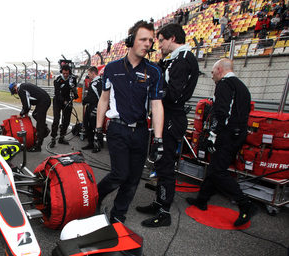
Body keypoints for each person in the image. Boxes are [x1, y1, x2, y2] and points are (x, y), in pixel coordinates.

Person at [96, 20, 164, 224]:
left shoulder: (154, 71)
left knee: (134, 179)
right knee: (119, 174)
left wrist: (158, 139)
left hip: (141, 132)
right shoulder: (112, 68)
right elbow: (104, 100)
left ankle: (118, 216)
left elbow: (157, 105)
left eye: (151, 40)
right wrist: (98, 129)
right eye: (143, 39)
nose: (147, 44)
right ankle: (94, 198)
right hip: (118, 129)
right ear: (130, 41)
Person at [136, 23, 199, 228]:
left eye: (161, 40)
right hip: (168, 115)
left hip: (172, 116)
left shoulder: (182, 60)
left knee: (165, 164)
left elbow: (173, 94)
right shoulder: (174, 59)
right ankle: (158, 203)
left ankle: (164, 212)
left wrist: (154, 91)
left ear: (172, 38)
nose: (159, 44)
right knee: (161, 162)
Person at [186, 59, 256, 227]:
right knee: (215, 168)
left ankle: (244, 203)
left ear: (219, 70)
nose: (211, 76)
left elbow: (221, 113)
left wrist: (212, 134)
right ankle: (202, 199)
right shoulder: (243, 88)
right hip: (237, 135)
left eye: (212, 72)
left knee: (218, 171)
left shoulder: (224, 85)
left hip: (227, 135)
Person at [9, 82, 51, 152]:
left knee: (40, 122)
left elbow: (27, 106)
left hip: (43, 101)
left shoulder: (20, 89)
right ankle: (45, 128)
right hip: (43, 100)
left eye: (14, 93)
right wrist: (25, 113)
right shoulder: (23, 86)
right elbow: (27, 102)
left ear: (14, 89)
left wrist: (21, 114)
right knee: (35, 114)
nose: (16, 94)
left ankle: (38, 146)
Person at [51, 65, 78, 147]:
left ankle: (62, 137)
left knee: (66, 120)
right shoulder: (57, 79)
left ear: (69, 72)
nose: (65, 75)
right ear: (61, 72)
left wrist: (75, 94)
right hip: (58, 101)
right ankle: (53, 138)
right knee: (56, 119)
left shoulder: (72, 78)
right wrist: (63, 101)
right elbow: (57, 93)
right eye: (64, 73)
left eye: (67, 73)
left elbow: (74, 88)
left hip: (68, 100)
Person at [81, 66, 103, 153]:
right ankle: (90, 143)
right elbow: (91, 96)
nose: (88, 75)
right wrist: (85, 101)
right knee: (87, 125)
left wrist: (98, 108)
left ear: (93, 73)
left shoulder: (99, 82)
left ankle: (98, 145)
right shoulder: (93, 82)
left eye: (89, 74)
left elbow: (101, 98)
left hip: (95, 107)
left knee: (95, 126)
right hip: (89, 107)